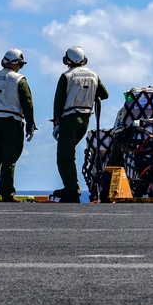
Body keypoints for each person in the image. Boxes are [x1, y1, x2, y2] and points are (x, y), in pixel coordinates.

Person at [0, 49, 37, 202]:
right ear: (19, 64)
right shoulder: (19, 80)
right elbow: (27, 103)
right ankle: (7, 193)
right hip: (12, 122)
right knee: (9, 159)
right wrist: (30, 123)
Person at [52, 46, 109, 203]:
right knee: (69, 153)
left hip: (69, 119)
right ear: (84, 60)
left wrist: (56, 123)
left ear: (67, 60)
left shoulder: (66, 76)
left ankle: (71, 189)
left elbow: (59, 102)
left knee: (65, 156)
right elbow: (104, 94)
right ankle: (71, 186)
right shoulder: (94, 75)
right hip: (85, 120)